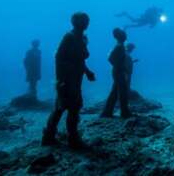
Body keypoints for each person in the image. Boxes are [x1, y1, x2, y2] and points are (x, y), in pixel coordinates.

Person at [42, 12, 96, 149]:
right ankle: (60, 137)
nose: (87, 23)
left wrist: (87, 72)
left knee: (73, 107)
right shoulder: (69, 37)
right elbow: (58, 58)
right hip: (67, 80)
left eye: (87, 20)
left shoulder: (81, 38)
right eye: (85, 20)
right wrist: (61, 81)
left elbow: (80, 59)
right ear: (77, 22)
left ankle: (68, 137)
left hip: (76, 80)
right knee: (62, 107)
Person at [101, 28, 132, 118]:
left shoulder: (120, 46)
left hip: (118, 71)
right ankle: (124, 112)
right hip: (118, 72)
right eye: (123, 34)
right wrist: (118, 66)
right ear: (120, 36)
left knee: (114, 92)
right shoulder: (119, 46)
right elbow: (110, 58)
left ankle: (107, 111)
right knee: (122, 92)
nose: (125, 35)